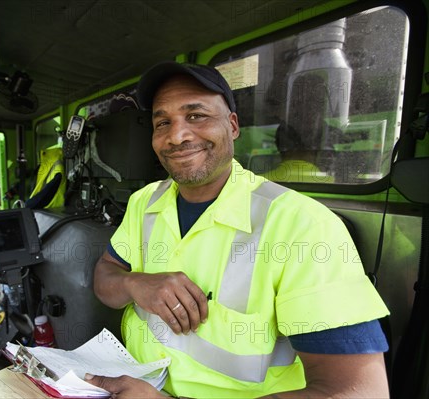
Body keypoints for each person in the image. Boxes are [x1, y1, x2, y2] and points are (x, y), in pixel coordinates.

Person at [87, 61, 390, 398]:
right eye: (163, 122)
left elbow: (359, 392)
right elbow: (105, 274)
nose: (178, 135)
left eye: (196, 115)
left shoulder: (303, 226)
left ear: (232, 125)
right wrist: (133, 283)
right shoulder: (144, 202)